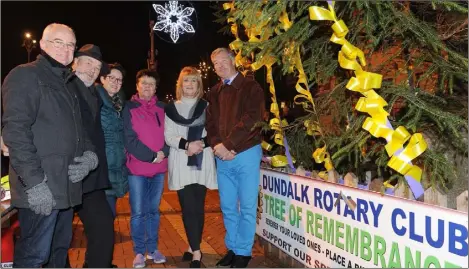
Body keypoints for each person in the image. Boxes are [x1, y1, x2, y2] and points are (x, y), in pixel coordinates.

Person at [1, 23, 98, 268]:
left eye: (70, 45)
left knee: (58, 253)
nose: (65, 49)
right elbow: (16, 132)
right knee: (34, 257)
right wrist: (34, 185)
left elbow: (79, 132)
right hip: (41, 189)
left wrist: (90, 157)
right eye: (58, 42)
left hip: (65, 189)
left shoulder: (68, 83)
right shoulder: (26, 75)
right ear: (43, 45)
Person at [206, 48, 265, 268]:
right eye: (215, 63)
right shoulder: (214, 92)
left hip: (246, 152)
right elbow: (210, 124)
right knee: (228, 205)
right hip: (222, 155)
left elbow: (252, 119)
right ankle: (232, 247)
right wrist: (217, 145)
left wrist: (229, 145)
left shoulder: (250, 86)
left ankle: (244, 251)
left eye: (223, 61)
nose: (220, 66)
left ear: (233, 61)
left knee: (248, 205)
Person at [164, 67, 217, 268]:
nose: (189, 85)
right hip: (181, 161)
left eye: (194, 81)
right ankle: (196, 248)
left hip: (202, 161)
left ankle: (193, 247)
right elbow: (168, 136)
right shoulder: (171, 108)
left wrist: (199, 144)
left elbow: (214, 132)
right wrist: (187, 144)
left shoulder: (207, 106)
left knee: (198, 207)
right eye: (186, 81)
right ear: (180, 84)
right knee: (187, 208)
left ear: (199, 85)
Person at [68, 44, 115, 268]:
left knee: (104, 227)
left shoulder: (94, 93)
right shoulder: (63, 87)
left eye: (97, 67)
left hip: (91, 178)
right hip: (66, 176)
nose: (93, 69)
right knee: (58, 238)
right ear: (74, 62)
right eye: (88, 62)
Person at [123, 69, 169, 268]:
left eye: (151, 84)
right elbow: (129, 139)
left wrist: (163, 152)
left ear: (156, 87)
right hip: (137, 170)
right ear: (137, 86)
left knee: (154, 211)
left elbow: (171, 134)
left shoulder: (163, 108)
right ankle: (139, 252)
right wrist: (152, 155)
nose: (147, 87)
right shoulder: (128, 107)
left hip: (159, 169)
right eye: (144, 83)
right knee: (138, 212)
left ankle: (153, 249)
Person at [96, 63, 128, 218]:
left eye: (119, 80)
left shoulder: (119, 104)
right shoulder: (95, 100)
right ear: (102, 78)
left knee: (109, 216)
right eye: (112, 78)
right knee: (104, 219)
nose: (116, 82)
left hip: (116, 166)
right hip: (100, 168)